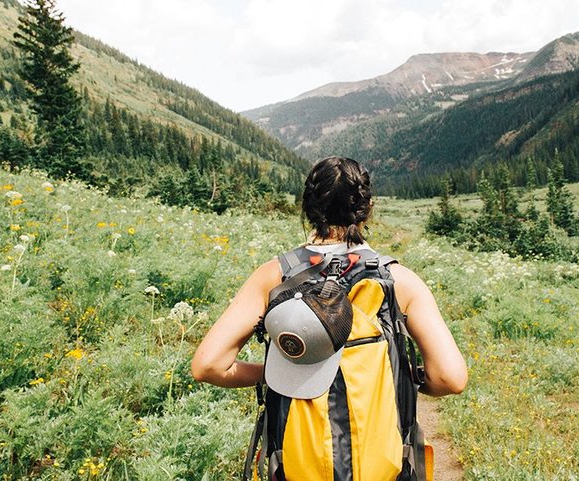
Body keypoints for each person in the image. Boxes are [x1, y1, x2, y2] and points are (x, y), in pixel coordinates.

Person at [191, 156, 467, 477]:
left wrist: (275, 373)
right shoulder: (400, 281)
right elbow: (451, 378)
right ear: (368, 207)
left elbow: (208, 365)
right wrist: (404, 378)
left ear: (307, 207)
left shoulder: (273, 276)